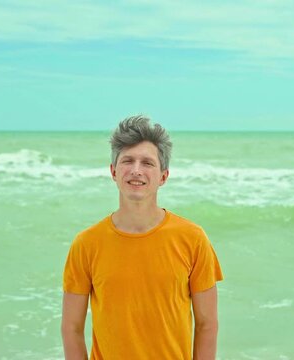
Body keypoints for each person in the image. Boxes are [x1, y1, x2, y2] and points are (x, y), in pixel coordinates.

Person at [61, 115, 223, 359]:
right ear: (114, 171)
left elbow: (207, 325)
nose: (136, 170)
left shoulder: (193, 238)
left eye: (147, 163)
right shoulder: (86, 244)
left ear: (163, 176)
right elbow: (71, 328)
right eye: (128, 161)